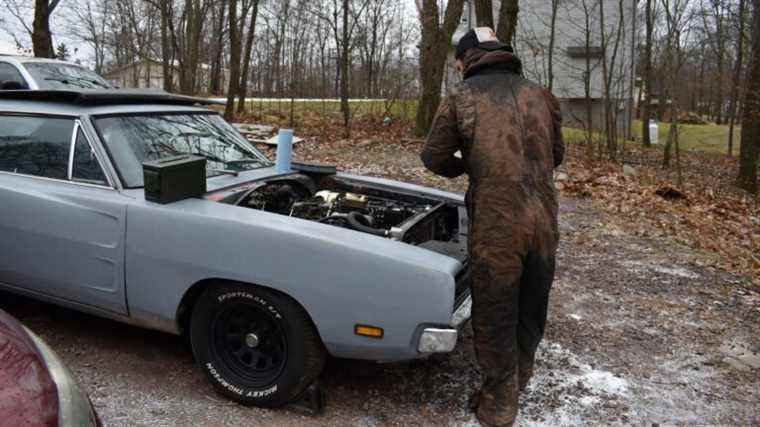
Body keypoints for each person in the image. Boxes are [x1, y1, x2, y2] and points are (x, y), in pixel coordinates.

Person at [420, 27, 564, 427]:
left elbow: (432, 157)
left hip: (498, 221)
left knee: (496, 308)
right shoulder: (542, 95)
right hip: (544, 219)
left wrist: (470, 166)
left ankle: (500, 403)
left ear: (467, 59)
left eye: (458, 60)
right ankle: (521, 375)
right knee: (532, 301)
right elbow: (557, 155)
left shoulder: (462, 98)